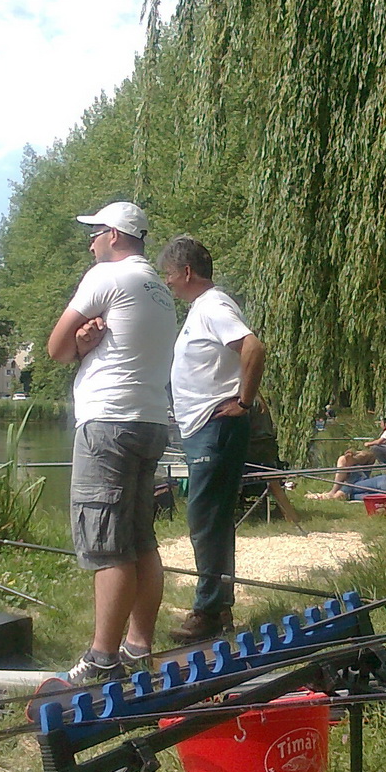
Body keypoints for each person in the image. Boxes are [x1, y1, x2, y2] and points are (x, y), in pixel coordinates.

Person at [47, 201, 177, 684]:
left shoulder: (106, 277)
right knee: (141, 540)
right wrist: (87, 342)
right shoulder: (160, 290)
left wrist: (78, 345)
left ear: (116, 235)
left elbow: (55, 349)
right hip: (150, 421)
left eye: (96, 232)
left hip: (107, 423)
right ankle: (138, 647)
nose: (91, 242)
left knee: (107, 545)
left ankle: (102, 659)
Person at [159, 236, 266, 644]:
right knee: (212, 521)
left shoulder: (214, 306)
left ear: (187, 272)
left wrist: (245, 401)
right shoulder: (202, 309)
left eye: (169, 274)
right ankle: (219, 609)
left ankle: (207, 611)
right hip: (204, 429)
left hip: (214, 428)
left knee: (205, 520)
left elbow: (253, 347)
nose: (167, 281)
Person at [305, 449, 377, 500]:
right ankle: (331, 493)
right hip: (353, 479)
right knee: (343, 461)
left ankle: (330, 493)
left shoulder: (358, 471)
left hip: (357, 479)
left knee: (338, 495)